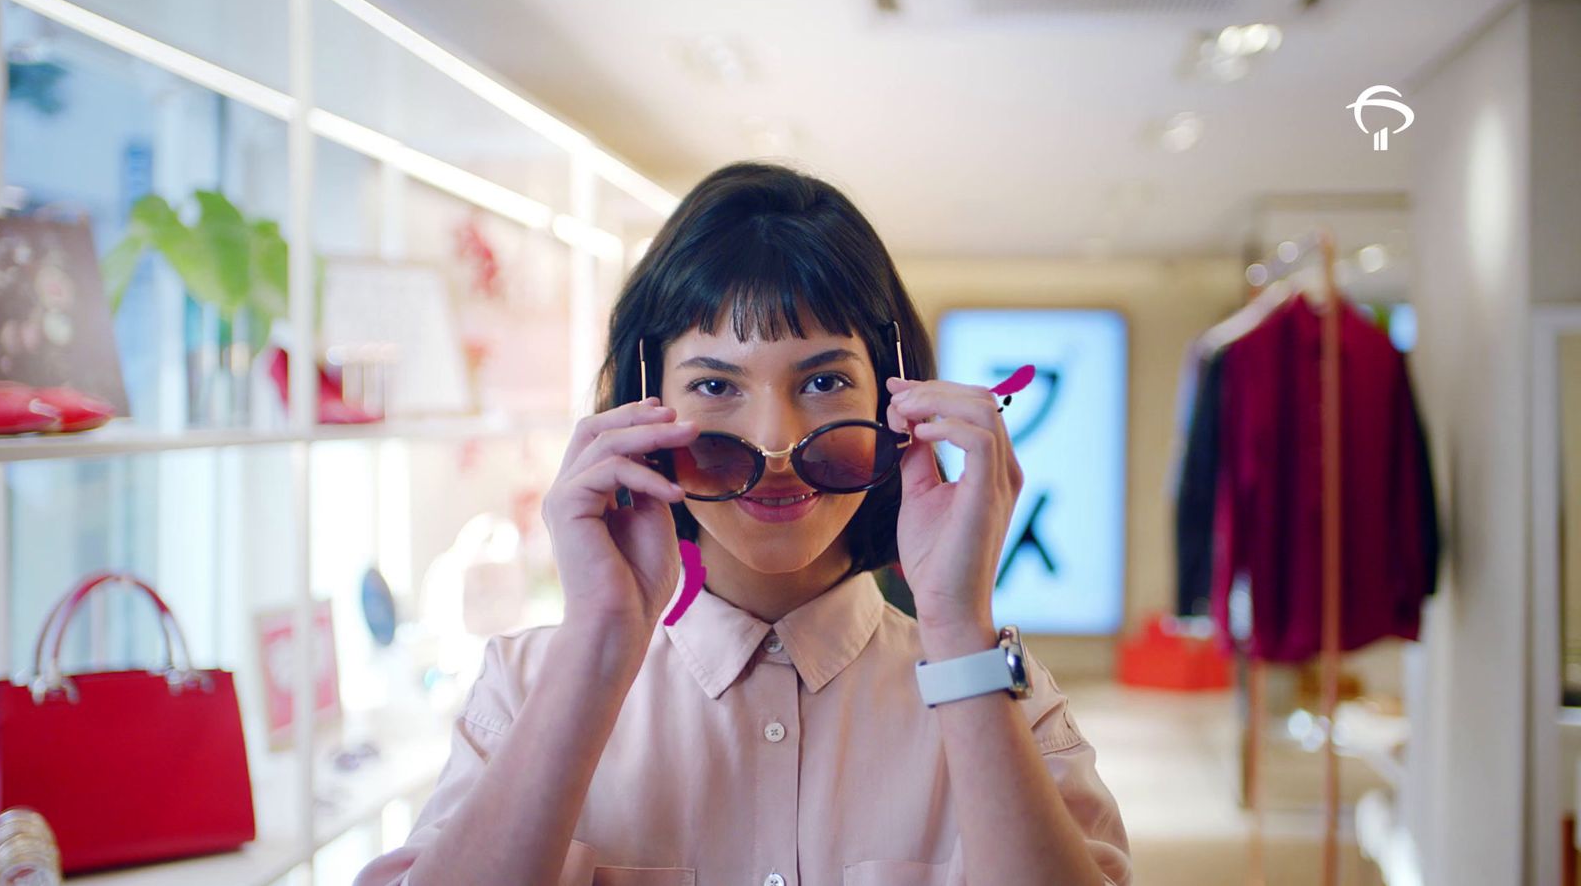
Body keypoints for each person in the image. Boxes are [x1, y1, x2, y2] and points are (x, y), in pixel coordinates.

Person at [354, 162, 1131, 886]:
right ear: (645, 405)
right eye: (716, 384)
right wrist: (597, 639)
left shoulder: (999, 698)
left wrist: (960, 627)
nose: (774, 442)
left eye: (824, 380)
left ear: (897, 402)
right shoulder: (525, 691)